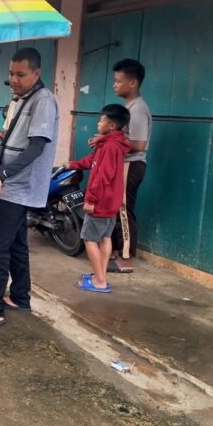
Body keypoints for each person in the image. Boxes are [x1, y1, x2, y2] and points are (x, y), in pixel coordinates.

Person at [0, 48, 58, 331]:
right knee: (17, 242)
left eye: (21, 74)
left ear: (36, 73)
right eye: (11, 73)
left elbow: (36, 146)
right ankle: (20, 296)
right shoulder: (23, 99)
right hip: (10, 181)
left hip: (21, 185)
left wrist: (5, 172)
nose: (14, 79)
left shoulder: (43, 100)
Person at [65, 104, 132, 292]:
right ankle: (99, 275)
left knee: (88, 238)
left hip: (101, 201)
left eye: (101, 120)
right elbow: (91, 162)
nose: (98, 123)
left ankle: (100, 281)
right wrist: (72, 164)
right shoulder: (109, 144)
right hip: (111, 201)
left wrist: (91, 199)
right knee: (104, 238)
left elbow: (103, 176)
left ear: (111, 126)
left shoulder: (109, 147)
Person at [108, 59, 152, 273]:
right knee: (118, 209)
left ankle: (125, 259)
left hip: (132, 166)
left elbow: (139, 144)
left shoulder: (138, 111)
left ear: (133, 83)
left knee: (124, 211)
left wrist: (110, 140)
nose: (114, 84)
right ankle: (116, 251)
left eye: (119, 81)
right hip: (124, 165)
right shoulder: (129, 108)